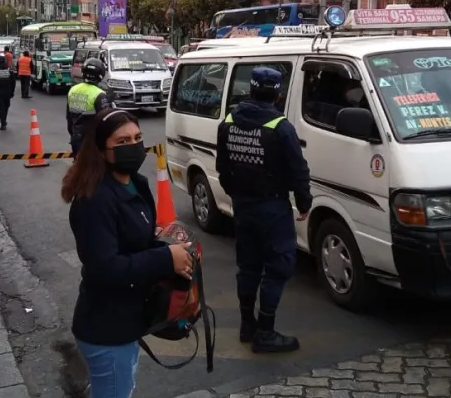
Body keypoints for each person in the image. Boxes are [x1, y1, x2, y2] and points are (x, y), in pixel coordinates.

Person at [61, 109, 194, 398]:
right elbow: (105, 267)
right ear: (100, 150)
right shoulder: (94, 201)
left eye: (137, 138)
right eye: (121, 142)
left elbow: (138, 243)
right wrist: (164, 258)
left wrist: (173, 253)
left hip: (128, 320)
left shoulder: (136, 182)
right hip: (106, 328)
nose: (133, 146)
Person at [215, 66, 311, 353]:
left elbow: (223, 168)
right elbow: (298, 169)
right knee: (278, 265)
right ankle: (265, 333)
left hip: (243, 206)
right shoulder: (280, 127)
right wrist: (304, 202)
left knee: (248, 265)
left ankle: (247, 324)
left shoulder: (228, 122)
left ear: (251, 89)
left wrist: (237, 195)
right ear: (277, 94)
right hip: (272, 206)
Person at [66, 58, 114, 156]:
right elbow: (105, 123)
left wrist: (73, 135)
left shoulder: (73, 90)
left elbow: (69, 118)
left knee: (79, 167)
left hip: (76, 138)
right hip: (92, 142)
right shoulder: (99, 94)